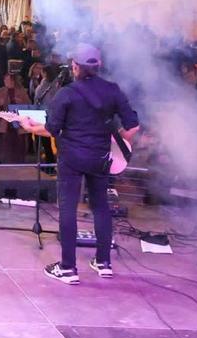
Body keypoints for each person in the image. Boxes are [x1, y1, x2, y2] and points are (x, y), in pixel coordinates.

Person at [18, 44, 140, 285]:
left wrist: (30, 127)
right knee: (101, 207)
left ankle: (68, 268)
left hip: (72, 158)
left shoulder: (67, 93)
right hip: (100, 158)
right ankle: (104, 262)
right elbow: (133, 126)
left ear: (75, 67)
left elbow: (52, 130)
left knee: (68, 208)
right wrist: (119, 142)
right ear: (99, 65)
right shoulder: (112, 90)